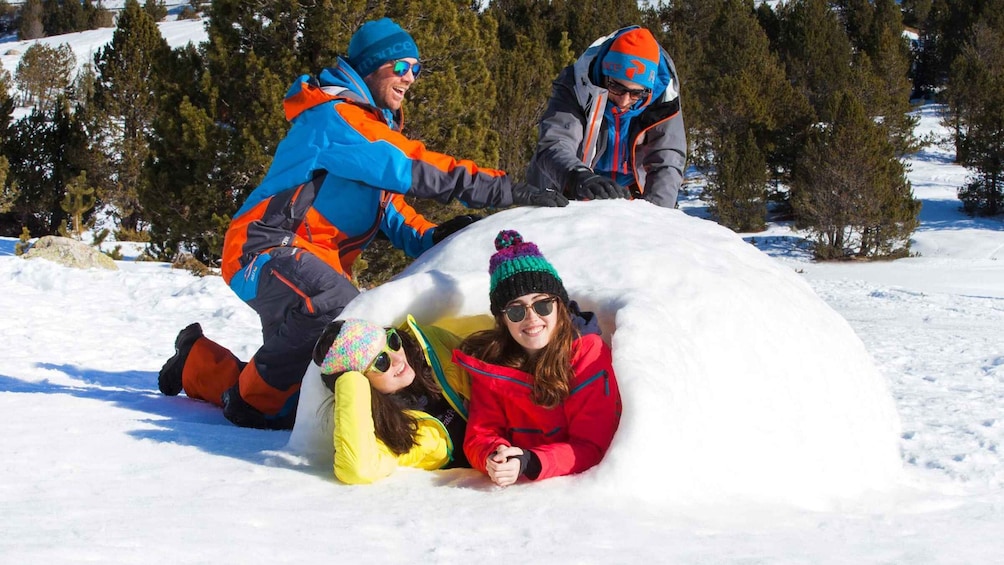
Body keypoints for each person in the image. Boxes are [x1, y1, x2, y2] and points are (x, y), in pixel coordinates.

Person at [156, 18, 567, 430]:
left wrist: (431, 236)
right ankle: (249, 402)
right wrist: (504, 189)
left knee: (301, 391)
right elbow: (412, 165)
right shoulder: (334, 119)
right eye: (401, 66)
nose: (411, 78)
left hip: (313, 264)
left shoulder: (368, 127)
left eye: (417, 69)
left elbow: (389, 208)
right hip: (265, 248)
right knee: (336, 313)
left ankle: (194, 360)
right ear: (372, 66)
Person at [454, 230, 622, 486]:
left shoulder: (588, 354)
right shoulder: (492, 363)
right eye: (516, 310)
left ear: (559, 306)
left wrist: (530, 461)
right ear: (503, 319)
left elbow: (591, 446)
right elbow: (482, 432)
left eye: (542, 304)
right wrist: (494, 455)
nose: (531, 318)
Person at [525, 25, 687, 208]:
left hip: (631, 195)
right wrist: (578, 176)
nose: (624, 101)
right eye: (617, 87)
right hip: (567, 186)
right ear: (604, 75)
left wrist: (655, 215)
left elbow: (667, 161)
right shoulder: (577, 86)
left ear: (648, 90)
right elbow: (555, 143)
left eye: (636, 94)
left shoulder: (662, 101)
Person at [312, 315, 475, 484]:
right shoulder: (389, 433)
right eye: (381, 361)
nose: (398, 359)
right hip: (476, 484)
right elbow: (358, 469)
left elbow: (491, 358)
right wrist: (351, 380)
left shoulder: (430, 344)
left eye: (392, 342)